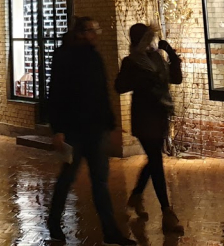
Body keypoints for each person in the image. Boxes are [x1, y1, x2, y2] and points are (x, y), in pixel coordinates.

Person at [46, 16, 134, 246]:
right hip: (73, 131)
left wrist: (110, 123)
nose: (96, 35)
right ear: (80, 33)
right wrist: (58, 129)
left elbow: (101, 93)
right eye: (92, 30)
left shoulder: (94, 57)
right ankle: (54, 223)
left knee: (100, 182)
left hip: (95, 130)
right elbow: (56, 94)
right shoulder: (64, 57)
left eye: (96, 30)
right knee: (67, 179)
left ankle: (110, 232)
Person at [115, 23, 184, 235]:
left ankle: (136, 196)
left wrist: (171, 53)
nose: (151, 41)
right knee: (155, 159)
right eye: (147, 37)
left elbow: (176, 79)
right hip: (144, 117)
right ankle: (167, 212)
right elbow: (119, 86)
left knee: (154, 159)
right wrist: (140, 80)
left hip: (160, 114)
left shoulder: (156, 58)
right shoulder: (131, 62)